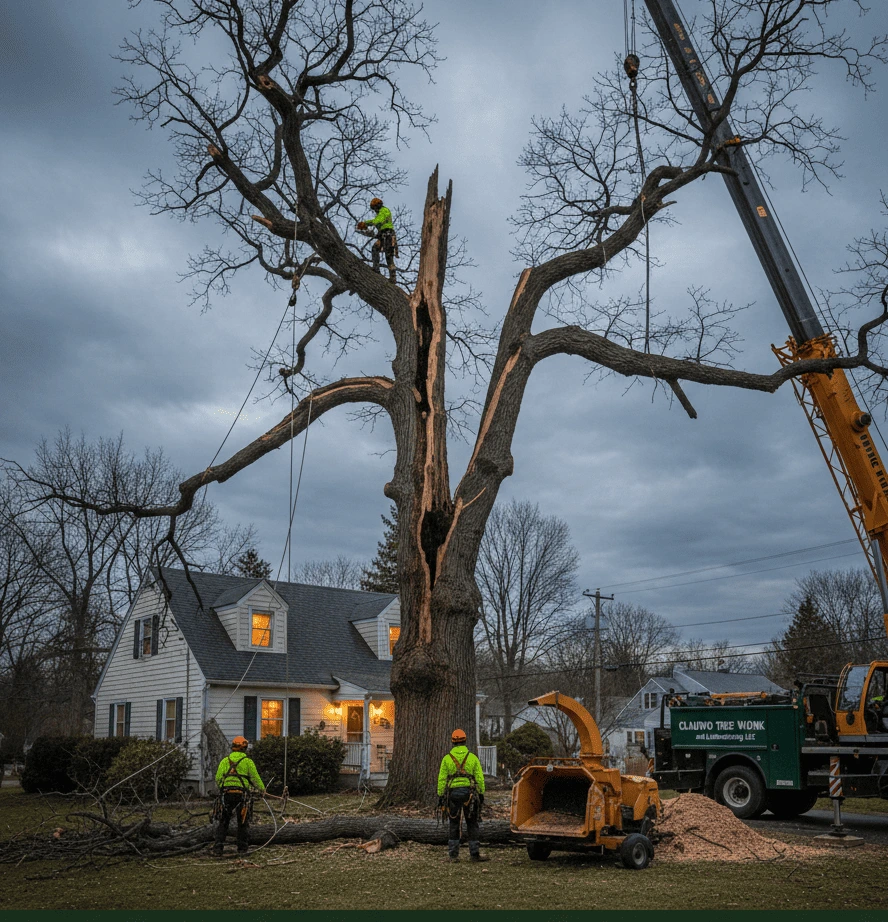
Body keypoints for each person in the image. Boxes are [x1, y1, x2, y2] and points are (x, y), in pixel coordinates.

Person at [437, 728, 488, 862]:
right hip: (469, 794)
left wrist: (441, 795)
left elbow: (442, 779)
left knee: (454, 823)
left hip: (453, 795)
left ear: (452, 742)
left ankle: (453, 856)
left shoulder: (447, 759)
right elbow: (479, 778)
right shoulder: (472, 758)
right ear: (465, 741)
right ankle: (474, 854)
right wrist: (481, 793)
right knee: (472, 823)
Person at [213, 735, 266, 856]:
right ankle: (242, 848)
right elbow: (255, 778)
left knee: (223, 821)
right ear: (245, 748)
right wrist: (262, 790)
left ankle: (218, 848)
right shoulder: (247, 762)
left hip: (226, 795)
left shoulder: (225, 761)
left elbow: (218, 778)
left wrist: (223, 787)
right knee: (242, 822)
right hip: (242, 795)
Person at [356, 197, 398, 284]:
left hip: (388, 235)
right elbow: (377, 222)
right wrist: (366, 225)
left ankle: (393, 278)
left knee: (388, 256)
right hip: (383, 235)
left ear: (378, 206)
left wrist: (367, 223)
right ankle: (376, 269)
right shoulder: (380, 213)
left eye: (375, 208)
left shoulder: (384, 210)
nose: (375, 210)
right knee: (375, 249)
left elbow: (378, 220)